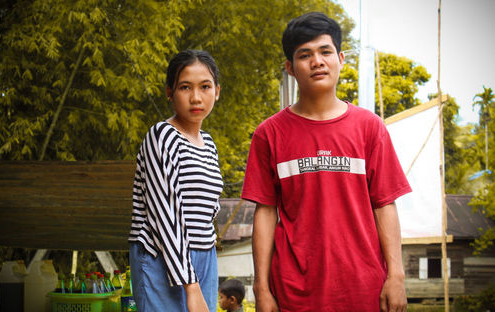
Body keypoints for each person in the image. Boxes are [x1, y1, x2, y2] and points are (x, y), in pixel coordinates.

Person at [241, 12, 412, 312]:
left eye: (325, 52)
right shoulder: (269, 134)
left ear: (341, 59)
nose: (317, 61)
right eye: (304, 55)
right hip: (294, 292)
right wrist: (261, 287)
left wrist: (396, 275)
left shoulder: (370, 128)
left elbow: (384, 204)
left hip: (364, 287)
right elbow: (265, 213)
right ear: (290, 68)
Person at [128, 49, 223, 312]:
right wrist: (190, 286)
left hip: (204, 257)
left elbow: (209, 207)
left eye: (205, 86)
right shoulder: (162, 136)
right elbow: (164, 214)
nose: (196, 97)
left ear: (217, 91)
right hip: (160, 255)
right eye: (185, 87)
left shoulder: (209, 145)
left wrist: (202, 269)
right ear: (170, 93)